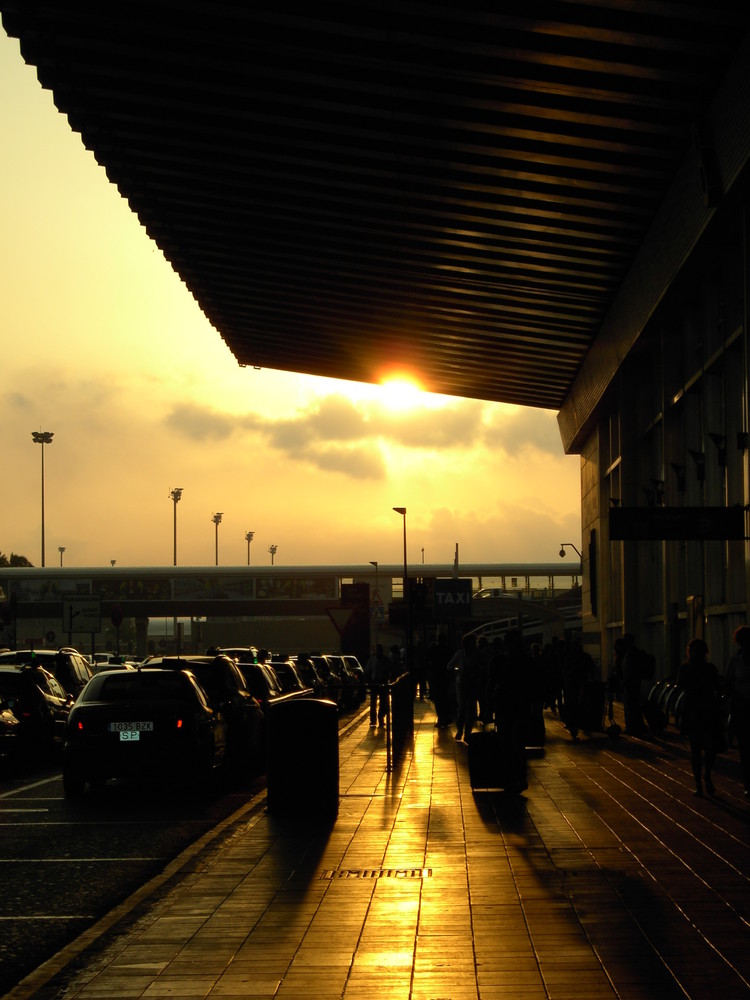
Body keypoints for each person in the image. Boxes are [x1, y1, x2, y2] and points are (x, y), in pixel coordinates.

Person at [677, 638, 724, 796]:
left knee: (702, 748)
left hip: (696, 709)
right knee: (699, 747)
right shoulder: (707, 668)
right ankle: (702, 779)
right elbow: (717, 687)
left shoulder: (688, 668)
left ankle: (703, 778)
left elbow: (681, 686)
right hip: (703, 709)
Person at [492, 629, 532, 792]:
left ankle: (509, 778)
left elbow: (491, 684)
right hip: (520, 706)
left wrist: (488, 708)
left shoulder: (498, 661)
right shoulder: (526, 661)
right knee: (518, 743)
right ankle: (519, 777)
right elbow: (534, 683)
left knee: (507, 743)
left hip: (504, 706)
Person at [725, 625, 750, 797]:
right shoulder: (735, 661)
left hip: (744, 706)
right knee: (746, 746)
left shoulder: (736, 661)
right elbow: (728, 684)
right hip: (743, 707)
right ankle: (748, 781)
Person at [449, 634, 480, 742]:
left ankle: (466, 732)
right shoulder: (465, 654)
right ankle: (462, 730)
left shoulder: (463, 654)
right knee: (464, 708)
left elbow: (450, 666)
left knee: (468, 708)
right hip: (464, 682)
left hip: (465, 682)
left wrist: (457, 671)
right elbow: (449, 666)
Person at [426, 633, 452, 728]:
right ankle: (446, 717)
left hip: (436, 676)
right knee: (445, 698)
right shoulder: (448, 650)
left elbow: (427, 660)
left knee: (438, 699)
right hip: (445, 676)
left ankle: (441, 718)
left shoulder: (433, 649)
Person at [364, 643, 390, 727]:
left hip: (383, 682)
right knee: (373, 703)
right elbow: (367, 671)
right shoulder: (372, 660)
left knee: (383, 702)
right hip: (374, 682)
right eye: (376, 650)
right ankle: (373, 720)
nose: (378, 652)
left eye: (379, 650)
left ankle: (381, 718)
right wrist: (369, 681)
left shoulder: (386, 660)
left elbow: (390, 671)